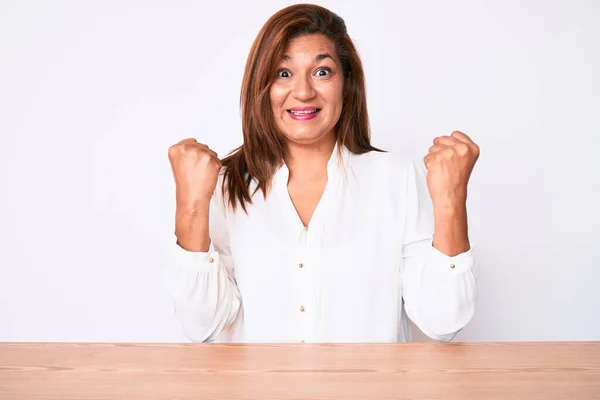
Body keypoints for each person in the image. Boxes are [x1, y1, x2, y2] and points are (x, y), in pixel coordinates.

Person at [165, 4, 480, 343]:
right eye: (283, 73)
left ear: (347, 85)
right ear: (262, 86)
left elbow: (444, 321)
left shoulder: (397, 179)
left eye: (322, 72)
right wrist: (191, 204)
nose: (303, 92)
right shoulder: (226, 186)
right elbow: (202, 326)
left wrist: (451, 199)